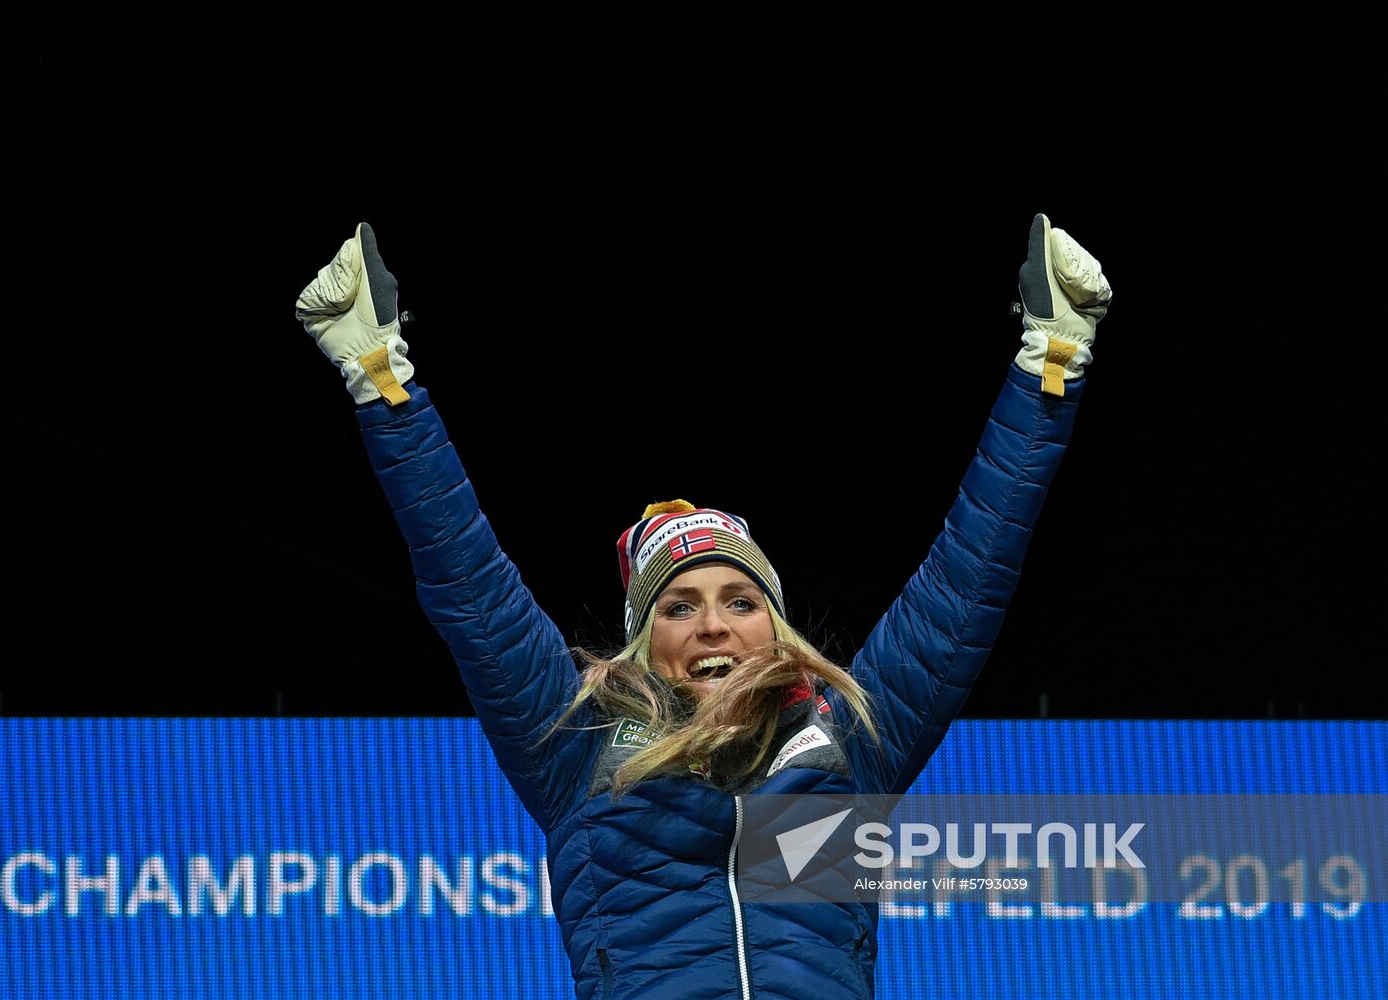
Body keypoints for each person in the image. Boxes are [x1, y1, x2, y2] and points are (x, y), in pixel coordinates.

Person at [295, 215, 1111, 1000]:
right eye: (679, 608)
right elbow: (468, 580)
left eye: (740, 600)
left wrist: (1052, 361)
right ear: (645, 643)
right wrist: (380, 377)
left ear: (777, 627)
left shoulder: (849, 742)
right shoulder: (575, 751)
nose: (715, 624)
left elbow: (969, 574)